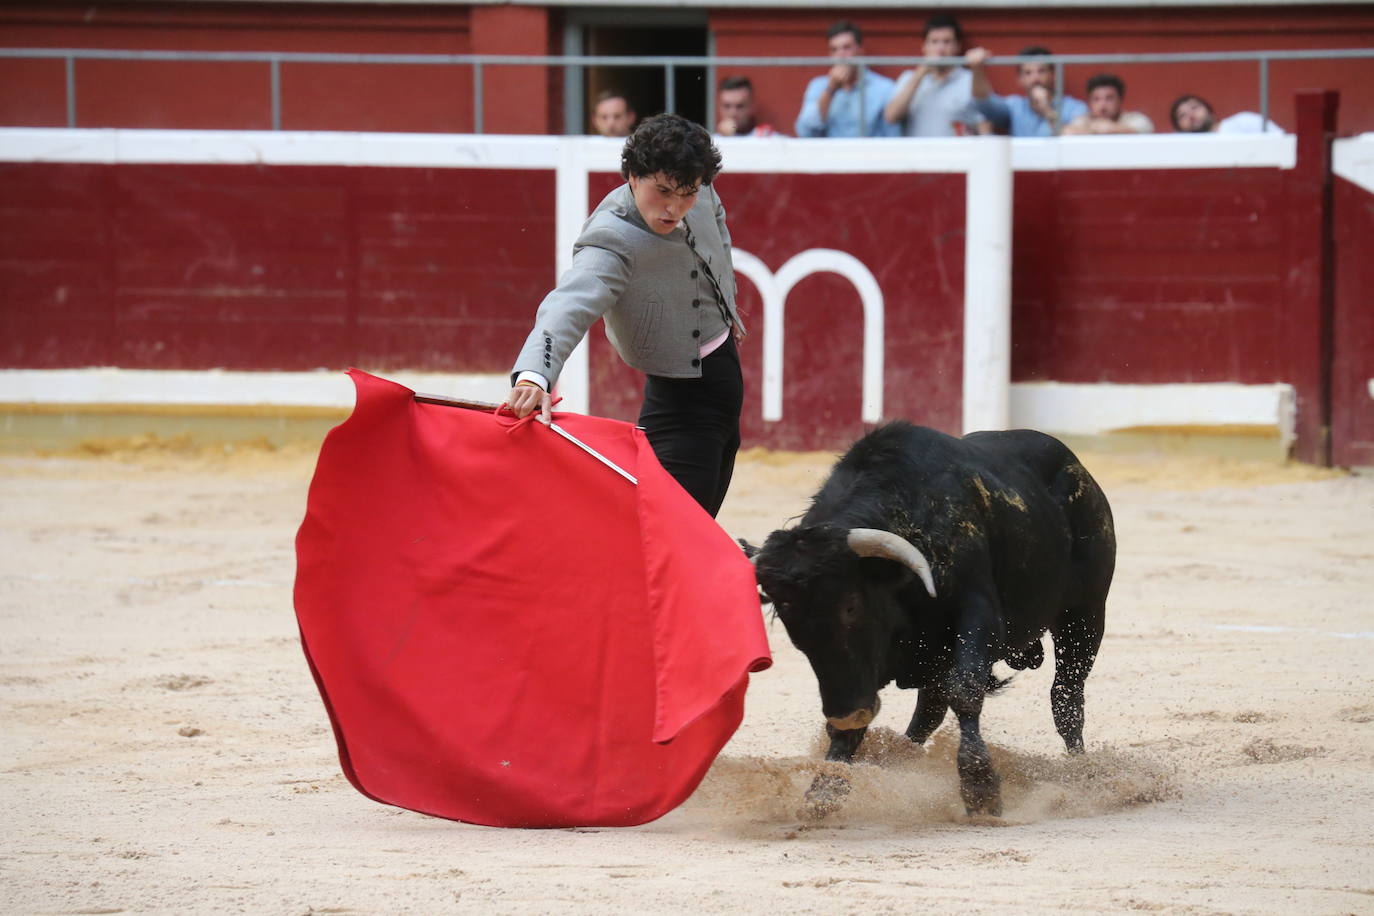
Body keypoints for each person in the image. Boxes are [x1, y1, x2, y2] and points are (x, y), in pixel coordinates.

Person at [507, 114, 747, 518]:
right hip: (680, 400)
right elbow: (568, 304)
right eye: (663, 191)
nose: (675, 207)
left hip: (722, 379)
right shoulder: (612, 237)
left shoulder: (700, 190)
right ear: (633, 176)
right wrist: (534, 374)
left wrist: (727, 305)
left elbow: (716, 231)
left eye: (687, 193)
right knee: (671, 535)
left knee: (689, 531)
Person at [881, 14, 983, 137]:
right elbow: (891, 117)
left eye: (947, 42)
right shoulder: (909, 78)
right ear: (924, 46)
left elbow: (984, 124)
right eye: (934, 42)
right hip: (917, 155)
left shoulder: (969, 80)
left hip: (956, 154)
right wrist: (920, 73)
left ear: (958, 46)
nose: (940, 49)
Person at [794, 21, 899, 138]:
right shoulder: (818, 86)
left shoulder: (884, 88)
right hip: (830, 154)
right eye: (834, 50)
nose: (840, 55)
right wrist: (831, 89)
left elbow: (893, 135)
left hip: (868, 154)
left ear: (860, 50)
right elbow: (805, 132)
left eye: (846, 48)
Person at [968, 45, 1087, 137]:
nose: (1035, 78)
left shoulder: (1074, 107)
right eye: (1028, 73)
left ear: (1053, 75)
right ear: (1020, 80)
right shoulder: (1014, 106)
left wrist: (1047, 111)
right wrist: (977, 69)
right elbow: (981, 100)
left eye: (1041, 71)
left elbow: (1075, 137)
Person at [1061, 74, 1154, 135]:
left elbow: (1144, 129)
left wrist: (1111, 128)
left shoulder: (1135, 118)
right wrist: (1095, 129)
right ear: (1090, 102)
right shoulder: (1083, 120)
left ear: (1120, 100)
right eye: (1096, 99)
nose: (1103, 105)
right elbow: (1066, 133)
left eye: (1109, 98)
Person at [1170, 94, 1284, 134]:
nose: (1190, 115)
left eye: (1194, 107)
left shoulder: (1243, 121)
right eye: (1182, 115)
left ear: (1211, 112)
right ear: (1178, 127)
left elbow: (1280, 139)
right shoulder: (1182, 148)